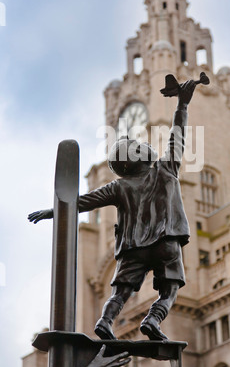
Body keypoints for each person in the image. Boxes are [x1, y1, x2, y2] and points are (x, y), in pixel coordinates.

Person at [28, 80, 196, 342]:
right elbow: (178, 135)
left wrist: (53, 211)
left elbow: (82, 201)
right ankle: (154, 318)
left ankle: (105, 322)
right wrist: (182, 105)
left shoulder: (119, 186)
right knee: (170, 288)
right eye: (140, 148)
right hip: (166, 243)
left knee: (120, 292)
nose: (146, 146)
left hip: (133, 249)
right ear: (137, 159)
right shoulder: (166, 170)